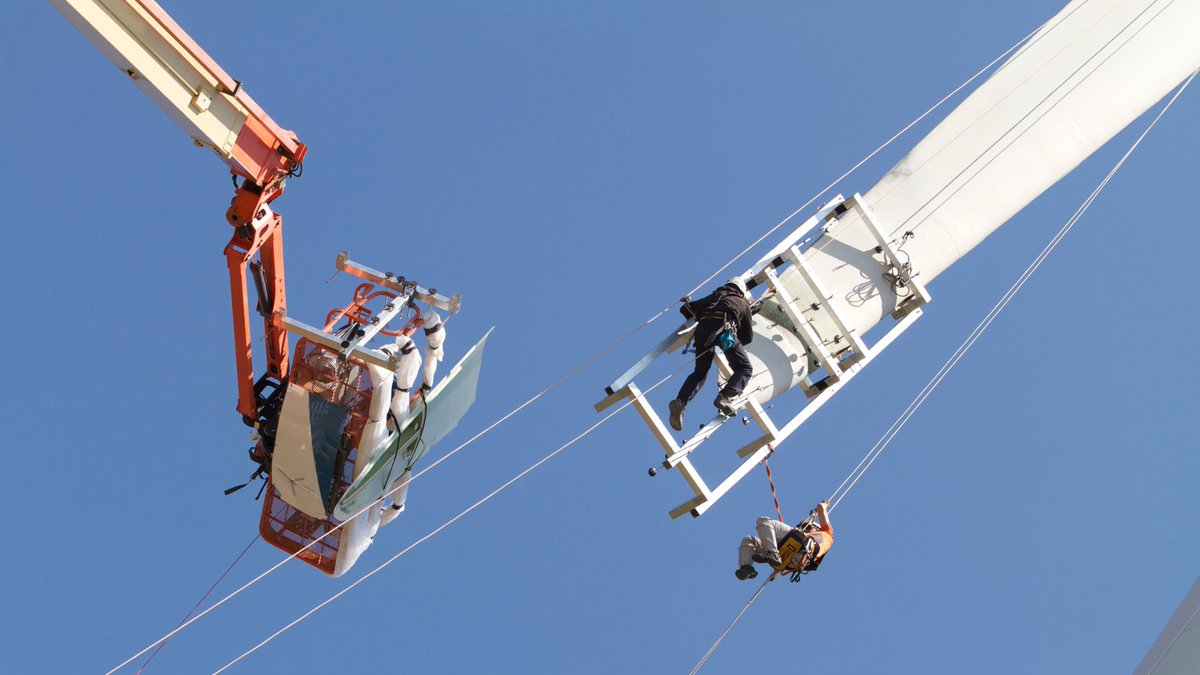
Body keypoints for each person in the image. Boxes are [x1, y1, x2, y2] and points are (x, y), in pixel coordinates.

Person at [667, 278, 757, 431]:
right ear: (742, 292)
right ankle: (725, 397)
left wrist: (688, 302)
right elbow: (746, 338)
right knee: (745, 369)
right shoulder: (743, 303)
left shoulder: (713, 296)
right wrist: (749, 312)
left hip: (702, 331)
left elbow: (686, 310)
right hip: (723, 331)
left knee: (700, 372)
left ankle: (680, 402)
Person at [736, 500, 832, 580]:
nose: (805, 528)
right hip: (790, 559)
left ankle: (772, 554)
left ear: (816, 528)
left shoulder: (827, 533)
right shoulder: (809, 539)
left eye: (807, 526)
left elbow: (821, 507)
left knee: (763, 520)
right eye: (803, 526)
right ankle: (747, 568)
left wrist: (825, 504)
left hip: (802, 547)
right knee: (749, 540)